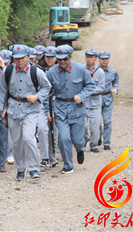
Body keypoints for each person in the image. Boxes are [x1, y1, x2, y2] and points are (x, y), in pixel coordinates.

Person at [0, 45, 51, 180]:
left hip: (31, 109)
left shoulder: (36, 72)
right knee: (17, 141)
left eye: (22, 58)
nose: (19, 61)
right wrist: (3, 108)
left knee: (28, 137)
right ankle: (20, 168)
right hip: (13, 109)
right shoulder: (7, 71)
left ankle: (33, 168)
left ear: (28, 57)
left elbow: (47, 87)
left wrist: (37, 97)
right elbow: (3, 90)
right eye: (16, 58)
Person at [46, 45, 95, 174]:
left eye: (65, 59)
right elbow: (47, 92)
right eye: (60, 59)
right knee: (63, 138)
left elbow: (90, 86)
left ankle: (80, 149)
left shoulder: (80, 69)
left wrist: (82, 96)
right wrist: (48, 110)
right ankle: (68, 164)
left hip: (77, 109)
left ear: (70, 57)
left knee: (78, 140)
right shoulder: (51, 72)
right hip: (60, 108)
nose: (62, 62)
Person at [37, 46, 59, 168]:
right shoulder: (38, 70)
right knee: (42, 129)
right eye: (47, 57)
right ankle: (44, 157)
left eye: (52, 57)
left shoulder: (59, 70)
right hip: (41, 104)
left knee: (54, 132)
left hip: (56, 104)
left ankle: (53, 157)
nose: (49, 59)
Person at [83, 49, 105, 153]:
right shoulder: (81, 69)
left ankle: (94, 145)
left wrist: (88, 91)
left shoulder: (100, 72)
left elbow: (101, 88)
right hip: (83, 103)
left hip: (95, 103)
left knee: (95, 126)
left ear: (95, 58)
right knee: (82, 126)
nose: (89, 59)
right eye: (87, 56)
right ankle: (86, 138)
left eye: (91, 57)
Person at [98, 51, 120, 150]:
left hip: (107, 98)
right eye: (102, 58)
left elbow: (116, 82)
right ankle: (97, 137)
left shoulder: (112, 72)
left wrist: (115, 89)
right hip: (96, 99)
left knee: (107, 121)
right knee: (96, 121)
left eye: (106, 59)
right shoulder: (94, 71)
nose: (104, 60)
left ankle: (106, 143)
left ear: (109, 59)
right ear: (99, 59)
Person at [0, 49, 14, 164]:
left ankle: (11, 153)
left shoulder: (12, 70)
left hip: (14, 104)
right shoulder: (4, 71)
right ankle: (6, 153)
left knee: (11, 131)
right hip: (3, 103)